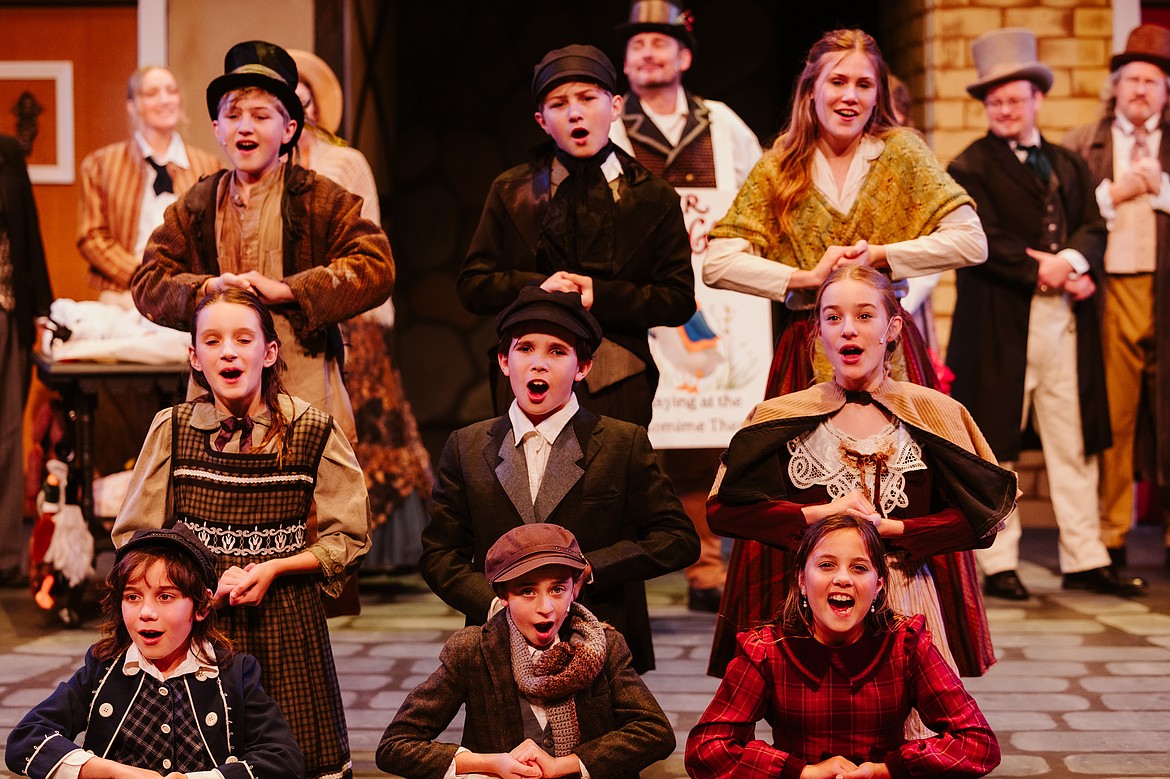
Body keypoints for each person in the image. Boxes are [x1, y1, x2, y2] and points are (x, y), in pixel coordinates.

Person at [706, 266, 1016, 683]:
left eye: (865, 316)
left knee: (911, 736)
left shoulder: (934, 413)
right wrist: (815, 515)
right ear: (818, 332)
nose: (848, 329)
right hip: (817, 607)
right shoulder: (783, 416)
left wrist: (894, 529)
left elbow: (981, 523)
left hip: (907, 600)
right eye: (833, 318)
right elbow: (724, 512)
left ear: (893, 328)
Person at [112, 288, 371, 779]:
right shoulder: (174, 428)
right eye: (212, 340)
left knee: (295, 751)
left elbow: (349, 536)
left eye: (242, 338)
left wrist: (276, 567)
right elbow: (136, 536)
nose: (228, 350)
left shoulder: (311, 428)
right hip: (199, 621)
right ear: (195, 356)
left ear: (268, 352)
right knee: (200, 752)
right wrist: (198, 584)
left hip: (286, 617)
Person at [947, 28, 1147, 600]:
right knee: (998, 443)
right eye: (994, 101)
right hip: (1000, 323)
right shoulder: (969, 167)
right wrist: (1045, 269)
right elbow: (980, 236)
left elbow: (1093, 224)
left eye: (1015, 98)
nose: (1004, 109)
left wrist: (1076, 262)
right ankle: (998, 560)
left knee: (1073, 439)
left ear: (1037, 98)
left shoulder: (1066, 162)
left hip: (1063, 322)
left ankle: (1085, 557)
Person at [419, 287, 699, 674]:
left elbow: (677, 540)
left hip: (598, 643)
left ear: (583, 367)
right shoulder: (467, 447)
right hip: (498, 650)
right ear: (504, 360)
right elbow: (439, 553)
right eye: (525, 349)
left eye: (556, 351)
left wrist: (589, 567)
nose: (538, 364)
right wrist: (498, 602)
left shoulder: (621, 442)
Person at [131, 40, 395, 445]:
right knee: (217, 502)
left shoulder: (319, 199)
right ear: (217, 128)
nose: (245, 127)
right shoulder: (199, 204)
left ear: (289, 128)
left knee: (309, 502)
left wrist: (290, 289)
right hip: (216, 398)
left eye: (261, 116)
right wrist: (206, 289)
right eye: (233, 115)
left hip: (302, 389)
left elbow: (376, 266)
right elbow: (148, 281)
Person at [701, 28, 987, 399]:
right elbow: (716, 264)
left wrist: (881, 256)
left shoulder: (900, 153)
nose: (850, 96)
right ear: (811, 90)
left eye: (864, 84)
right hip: (809, 342)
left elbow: (972, 242)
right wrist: (806, 277)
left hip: (887, 343)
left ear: (877, 96)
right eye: (837, 81)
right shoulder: (781, 166)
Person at [610, 0, 762, 614]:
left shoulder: (720, 123)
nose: (649, 52)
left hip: (715, 296)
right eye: (638, 44)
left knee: (708, 434)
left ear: (685, 56)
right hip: (640, 297)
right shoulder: (614, 124)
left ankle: (706, 567)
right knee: (635, 434)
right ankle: (625, 566)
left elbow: (756, 195)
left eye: (661, 42)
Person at [458, 44, 695, 429]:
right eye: (558, 104)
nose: (575, 112)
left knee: (611, 484)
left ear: (615, 106)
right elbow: (473, 285)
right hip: (525, 376)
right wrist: (538, 288)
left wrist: (599, 295)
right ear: (541, 120)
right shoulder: (512, 190)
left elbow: (678, 298)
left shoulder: (653, 196)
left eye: (587, 98)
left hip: (617, 373)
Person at [685, 514, 1000, 779]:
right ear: (801, 580)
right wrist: (802, 772)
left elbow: (978, 745)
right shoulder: (767, 650)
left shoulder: (905, 644)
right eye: (826, 566)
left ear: (878, 586)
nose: (843, 579)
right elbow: (706, 750)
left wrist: (885, 770)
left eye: (859, 568)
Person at [378, 523, 676, 779]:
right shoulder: (473, 650)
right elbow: (396, 746)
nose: (545, 608)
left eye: (557, 589)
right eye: (527, 591)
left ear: (575, 588)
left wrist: (565, 765)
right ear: (503, 595)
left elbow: (655, 732)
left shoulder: (603, 646)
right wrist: (490, 763)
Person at [6, 523, 305, 778]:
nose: (146, 612)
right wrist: (111, 771)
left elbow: (283, 759)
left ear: (201, 606)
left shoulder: (233, 674)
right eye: (133, 596)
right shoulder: (104, 669)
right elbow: (26, 740)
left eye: (165, 596)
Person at [288, 47, 433, 565]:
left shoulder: (343, 161)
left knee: (366, 427)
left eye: (302, 99)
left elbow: (369, 238)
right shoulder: (266, 167)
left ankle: (360, 548)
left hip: (351, 313)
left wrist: (371, 314)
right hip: (288, 320)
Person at [1064, 23, 1170, 572]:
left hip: (1164, 289)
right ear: (1115, 86)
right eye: (1131, 79)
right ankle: (1110, 535)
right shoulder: (1085, 143)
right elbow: (1064, 212)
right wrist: (1118, 191)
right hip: (1110, 295)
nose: (1140, 90)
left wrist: (1161, 187)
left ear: (1165, 90)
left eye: (1151, 80)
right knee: (1116, 418)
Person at [78, 65, 223, 297]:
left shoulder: (208, 166)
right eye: (151, 93)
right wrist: (141, 273)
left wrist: (184, 282)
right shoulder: (101, 165)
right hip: (123, 292)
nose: (164, 100)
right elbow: (91, 236)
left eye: (171, 91)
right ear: (132, 105)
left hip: (188, 293)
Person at [0, 135, 52, 585]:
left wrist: (43, 307)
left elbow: (26, 233)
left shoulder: (6, 152)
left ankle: (4, 557)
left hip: (4, 309)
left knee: (6, 433)